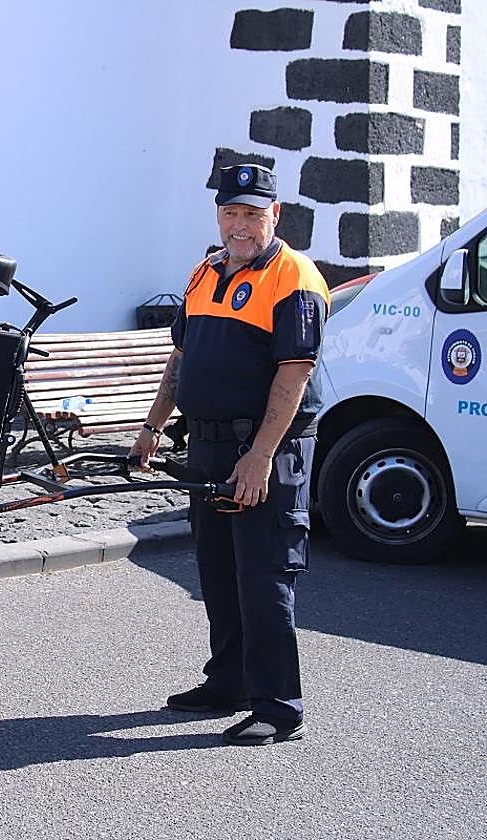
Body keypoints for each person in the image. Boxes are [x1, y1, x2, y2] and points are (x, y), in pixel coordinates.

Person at [131, 163, 330, 747]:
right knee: (219, 573)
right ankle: (229, 683)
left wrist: (261, 454)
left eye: (252, 214)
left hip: (265, 450)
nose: (240, 225)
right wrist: (153, 427)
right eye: (230, 212)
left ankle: (279, 707)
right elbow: (182, 357)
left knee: (264, 578)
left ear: (276, 215)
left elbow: (295, 373)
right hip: (209, 446)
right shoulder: (206, 270)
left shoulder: (294, 277)